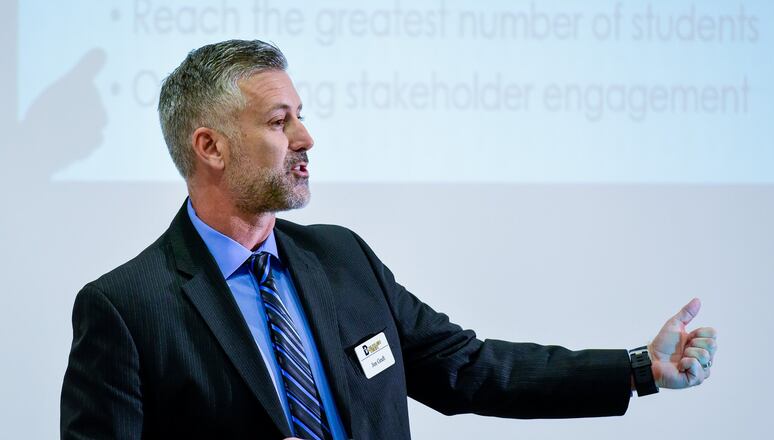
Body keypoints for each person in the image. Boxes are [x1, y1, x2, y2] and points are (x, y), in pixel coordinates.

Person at [60, 40, 718, 440]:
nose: (306, 138)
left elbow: (469, 368)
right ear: (210, 146)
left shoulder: (338, 258)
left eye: (303, 116)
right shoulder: (127, 307)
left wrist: (639, 369)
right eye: (279, 121)